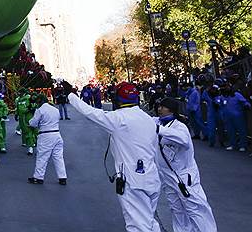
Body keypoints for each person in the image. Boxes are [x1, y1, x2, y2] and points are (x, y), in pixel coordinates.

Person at [69, 82, 162, 232]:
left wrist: (71, 96)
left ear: (117, 99)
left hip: (132, 180)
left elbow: (90, 113)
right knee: (149, 221)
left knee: (138, 226)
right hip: (152, 177)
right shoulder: (148, 119)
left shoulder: (119, 119)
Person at [154, 97, 217, 232]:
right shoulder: (158, 122)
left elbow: (184, 141)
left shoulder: (179, 127)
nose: (159, 109)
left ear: (171, 110)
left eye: (163, 107)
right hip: (167, 176)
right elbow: (142, 121)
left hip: (184, 176)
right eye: (159, 106)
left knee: (195, 208)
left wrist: (159, 129)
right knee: (176, 209)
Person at [27, 94, 67, 185]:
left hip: (45, 135)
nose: (36, 103)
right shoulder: (55, 110)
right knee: (58, 157)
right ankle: (62, 177)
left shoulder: (40, 110)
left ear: (40, 101)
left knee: (42, 157)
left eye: (37, 101)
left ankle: (38, 177)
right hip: (57, 134)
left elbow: (33, 123)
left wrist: (30, 122)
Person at [217, 86, 250, 151]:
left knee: (241, 130)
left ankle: (243, 145)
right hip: (228, 117)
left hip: (238, 117)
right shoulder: (222, 97)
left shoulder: (237, 95)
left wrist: (247, 105)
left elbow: (244, 101)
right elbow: (220, 106)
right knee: (230, 131)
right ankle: (233, 144)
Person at [15, 90, 37, 156]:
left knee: (37, 133)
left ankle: (37, 145)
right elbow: (19, 109)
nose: (19, 93)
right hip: (25, 119)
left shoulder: (29, 99)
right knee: (28, 133)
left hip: (34, 118)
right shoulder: (18, 100)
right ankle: (30, 148)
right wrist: (17, 114)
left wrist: (32, 108)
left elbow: (36, 106)